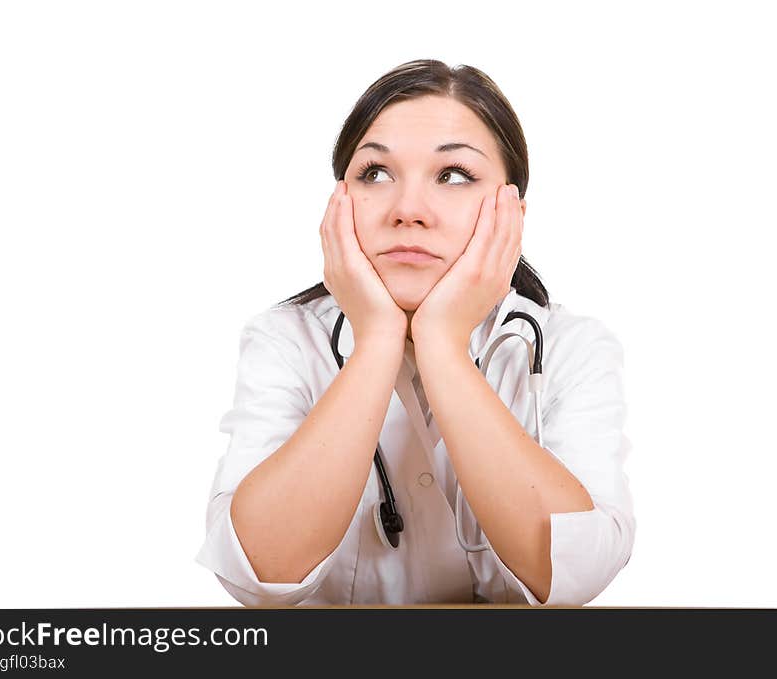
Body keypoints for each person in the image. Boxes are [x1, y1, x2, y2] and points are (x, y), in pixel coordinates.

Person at [195, 59, 635, 606]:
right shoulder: (285, 341)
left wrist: (443, 348)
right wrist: (378, 339)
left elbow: (575, 574)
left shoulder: (571, 348)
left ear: (511, 214)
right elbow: (258, 573)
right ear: (339, 203)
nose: (407, 211)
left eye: (454, 175)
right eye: (375, 174)